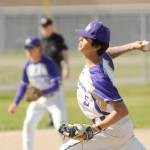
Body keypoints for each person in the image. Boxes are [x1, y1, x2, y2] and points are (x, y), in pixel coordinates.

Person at [59, 20, 146, 150]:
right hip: (120, 128)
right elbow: (108, 52)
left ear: (97, 46)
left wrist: (94, 129)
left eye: (86, 38)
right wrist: (132, 46)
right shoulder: (102, 58)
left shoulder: (97, 77)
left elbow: (121, 110)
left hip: (111, 130)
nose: (80, 38)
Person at [8, 36, 67, 150]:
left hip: (55, 99)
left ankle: (68, 148)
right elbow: (23, 85)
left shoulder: (48, 63)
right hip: (38, 100)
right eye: (27, 48)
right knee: (28, 124)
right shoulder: (27, 66)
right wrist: (15, 103)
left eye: (31, 48)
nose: (29, 51)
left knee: (61, 128)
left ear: (39, 48)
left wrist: (41, 92)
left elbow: (56, 85)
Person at [40, 16, 69, 126]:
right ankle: (51, 118)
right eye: (43, 26)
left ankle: (61, 119)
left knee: (57, 94)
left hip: (56, 73)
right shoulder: (41, 41)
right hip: (43, 74)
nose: (45, 28)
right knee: (45, 95)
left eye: (47, 26)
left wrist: (66, 68)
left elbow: (64, 54)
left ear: (51, 26)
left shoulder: (58, 39)